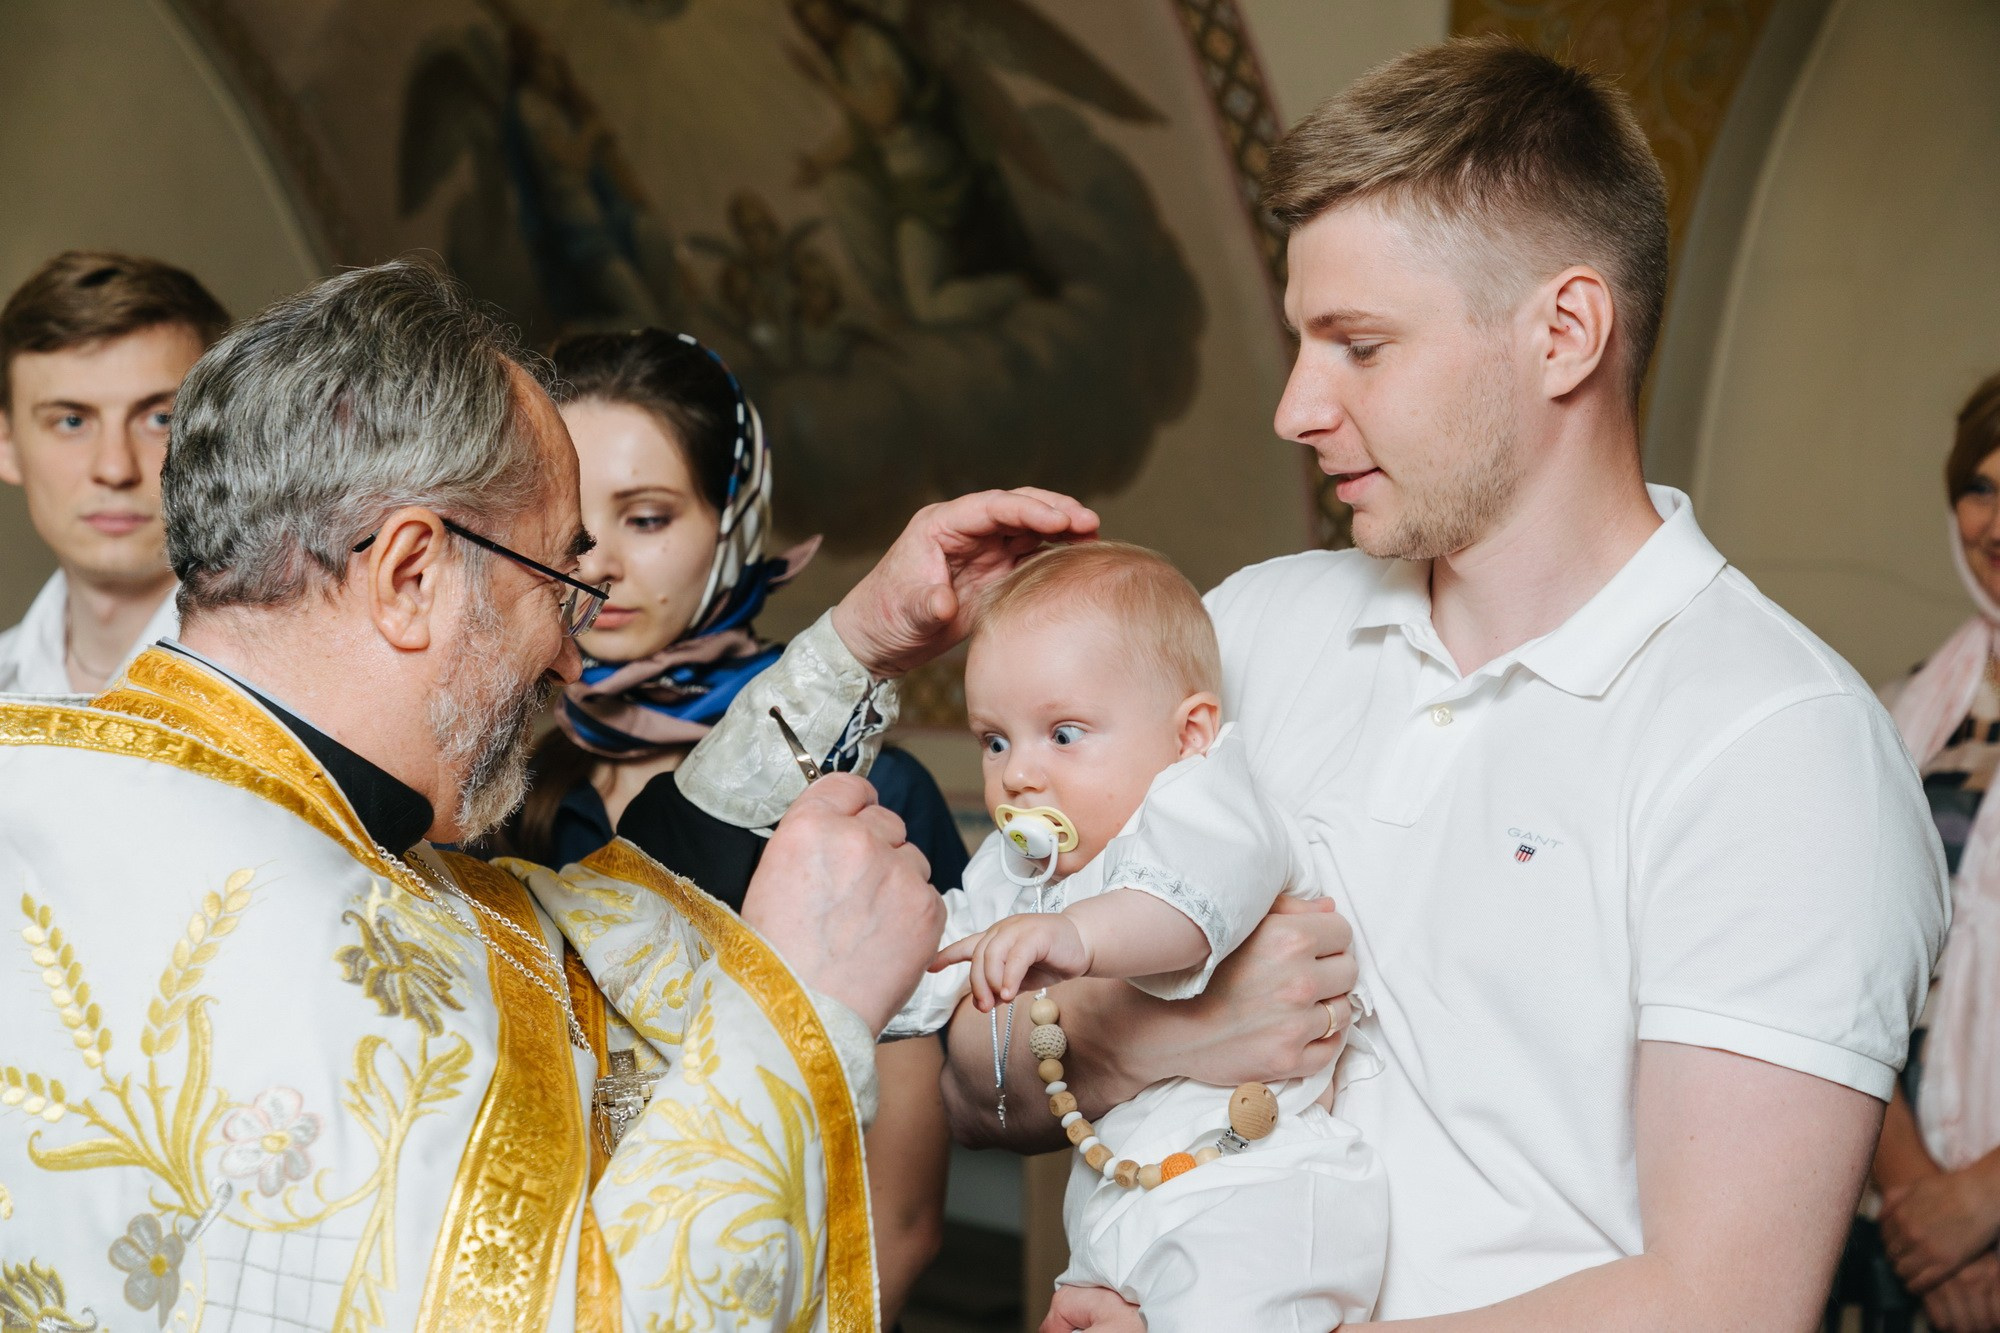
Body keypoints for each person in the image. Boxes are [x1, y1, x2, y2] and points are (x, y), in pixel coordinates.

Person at [692, 37, 1951, 1330]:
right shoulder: (1250, 630)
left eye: (1359, 344)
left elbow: (1723, 1304)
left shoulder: (1779, 744)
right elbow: (961, 1083)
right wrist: (1143, 1039)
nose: (1295, 404)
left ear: (1564, 332)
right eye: (1302, 341)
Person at [0, 258, 1094, 1330]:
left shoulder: (172, 796)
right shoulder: (312, 961)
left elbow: (581, 947)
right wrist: (794, 1011)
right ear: (410, 575)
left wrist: (854, 647)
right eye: (559, 584)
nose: (573, 663)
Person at [495, 327, 967, 1323]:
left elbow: (901, 1213)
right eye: (569, 526)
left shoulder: (862, 782)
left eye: (649, 516)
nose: (601, 564)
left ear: (732, 520)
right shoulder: (495, 779)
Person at [897, 540, 1386, 1330]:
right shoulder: (1027, 869)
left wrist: (1074, 938)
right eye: (995, 739)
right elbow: (946, 964)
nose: (1018, 773)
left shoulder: (1206, 801)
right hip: (1129, 1194)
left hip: (1260, 1194)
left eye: (1062, 733)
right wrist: (898, 963)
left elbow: (1183, 914)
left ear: (1189, 731)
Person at [1843, 371, 2000, 1333]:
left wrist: (1983, 1201)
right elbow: (1843, 965)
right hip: (1894, 1223)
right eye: (1981, 487)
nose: (1997, 520)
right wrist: (1921, 1207)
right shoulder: (1897, 714)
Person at [0, 250, 228, 694]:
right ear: (6, 447)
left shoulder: (307, 688)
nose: (114, 468)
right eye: (72, 422)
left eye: (160, 418)